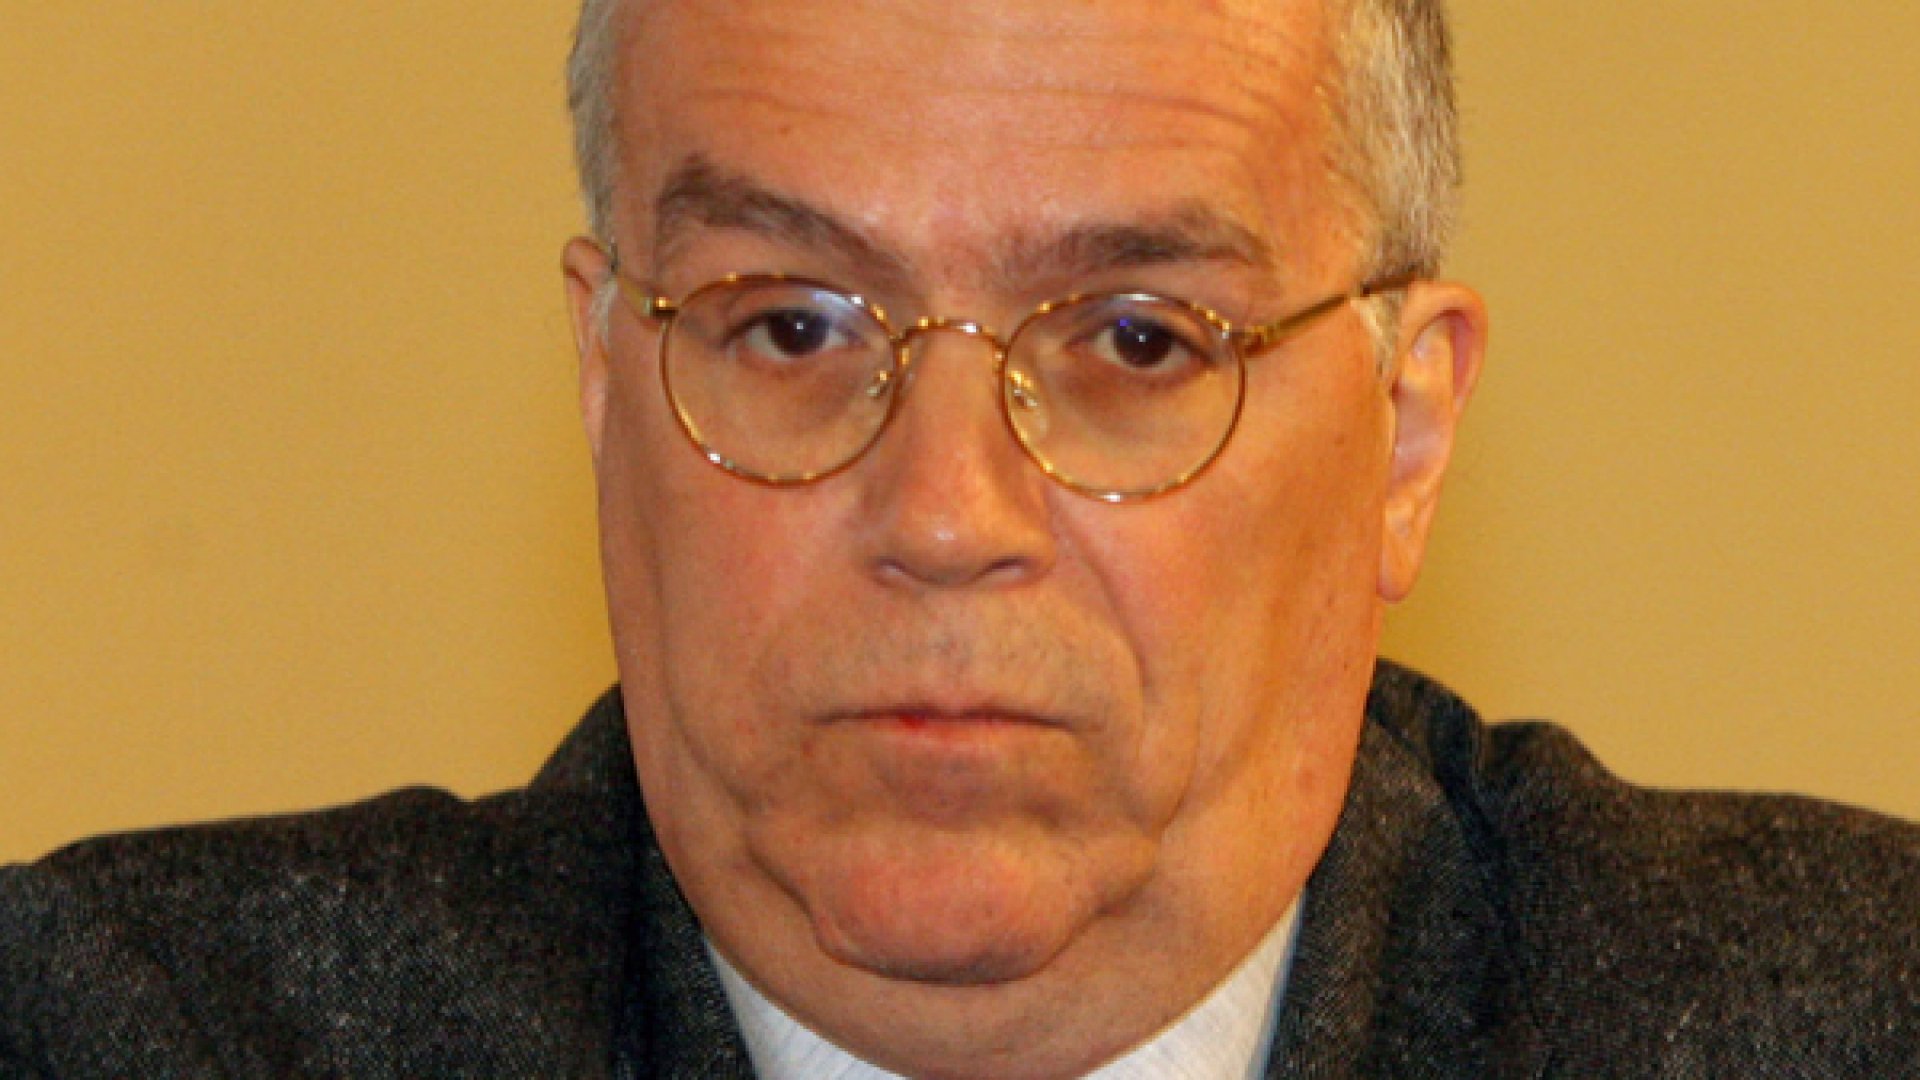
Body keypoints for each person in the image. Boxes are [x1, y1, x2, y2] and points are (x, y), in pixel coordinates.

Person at [2, 0, 1914, 1076]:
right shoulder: (117, 1030)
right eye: (790, 328)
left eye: (1139, 342)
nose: (941, 515)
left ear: (1403, 439)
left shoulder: (1841, 1020)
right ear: (604, 378)